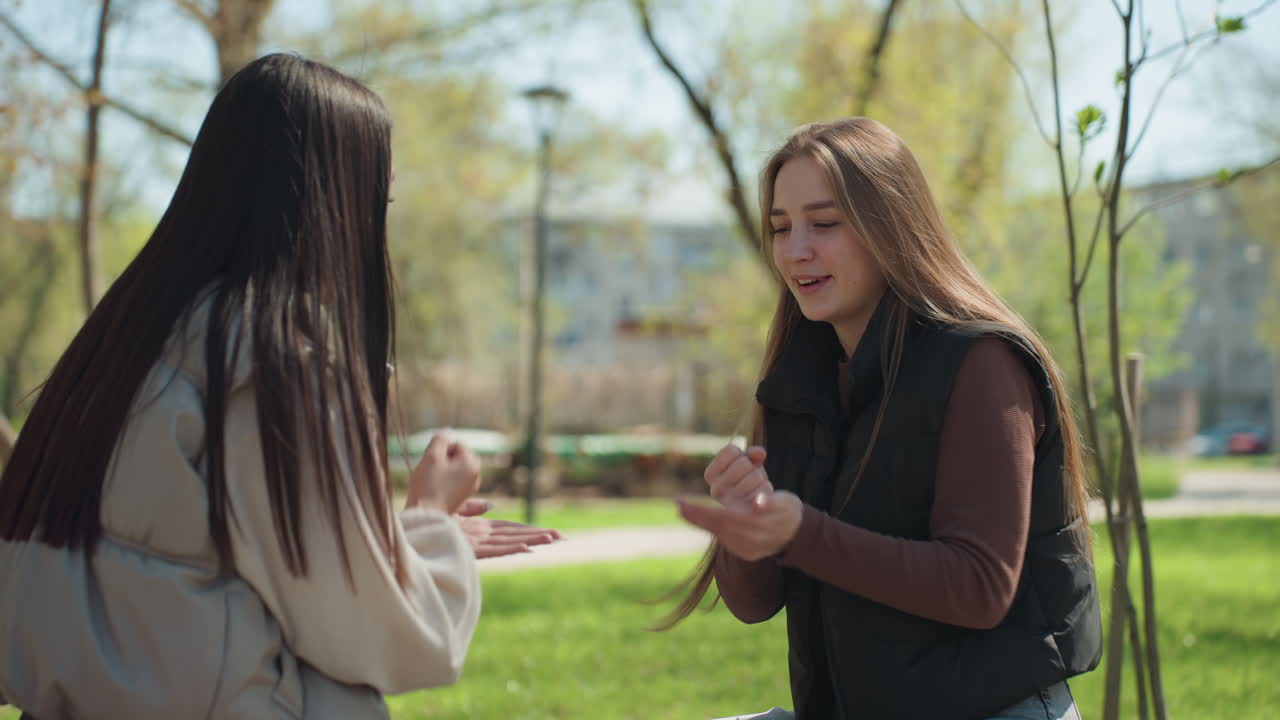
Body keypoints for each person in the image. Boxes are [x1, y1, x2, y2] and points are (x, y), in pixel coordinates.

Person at [0, 53, 557, 719]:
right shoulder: (272, 362)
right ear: (332, 204)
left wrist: (396, 542)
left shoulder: (124, 341)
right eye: (374, 199)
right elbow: (389, 641)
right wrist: (432, 519)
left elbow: (197, 577)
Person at [667, 118, 1101, 720]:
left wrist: (801, 533)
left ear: (892, 227)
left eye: (824, 224)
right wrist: (746, 528)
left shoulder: (981, 364)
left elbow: (980, 587)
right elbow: (754, 603)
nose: (796, 251)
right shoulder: (803, 376)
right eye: (780, 227)